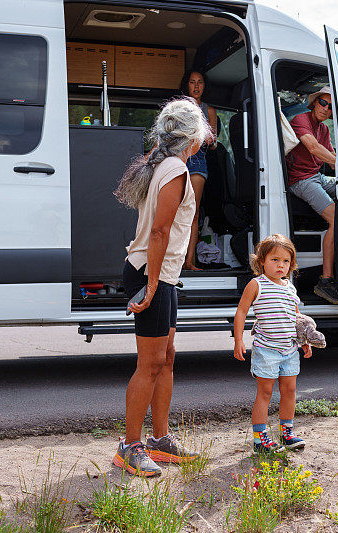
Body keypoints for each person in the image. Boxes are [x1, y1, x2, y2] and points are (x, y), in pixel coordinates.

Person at [112, 97, 212, 477]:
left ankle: (159, 439)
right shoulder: (175, 171)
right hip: (149, 274)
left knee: (166, 357)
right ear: (195, 139)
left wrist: (160, 281)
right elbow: (159, 230)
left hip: (163, 275)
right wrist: (152, 285)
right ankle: (129, 446)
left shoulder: (164, 163)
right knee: (150, 363)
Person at [233, 234, 313, 453]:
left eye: (286, 261)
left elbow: (297, 319)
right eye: (274, 260)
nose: (280, 265)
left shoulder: (290, 288)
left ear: (291, 264)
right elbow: (241, 311)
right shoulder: (256, 284)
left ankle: (286, 432)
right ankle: (260, 438)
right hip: (266, 349)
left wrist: (304, 340)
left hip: (289, 349)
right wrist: (239, 339)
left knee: (290, 390)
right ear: (261, 262)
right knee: (265, 392)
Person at [287, 85, 338, 305]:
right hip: (300, 180)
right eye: (323, 102)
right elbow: (313, 148)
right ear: (315, 103)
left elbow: (329, 157)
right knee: (335, 218)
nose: (325, 108)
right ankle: (326, 280)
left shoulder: (325, 130)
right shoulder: (301, 120)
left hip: (316, 177)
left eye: (330, 107)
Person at [179, 70, 218, 271]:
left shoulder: (209, 110)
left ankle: (190, 261)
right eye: (192, 82)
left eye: (200, 82)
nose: (196, 86)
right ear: (186, 85)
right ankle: (173, 260)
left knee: (192, 213)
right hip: (178, 160)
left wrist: (209, 140)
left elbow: (213, 143)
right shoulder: (179, 108)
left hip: (198, 162)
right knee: (176, 211)